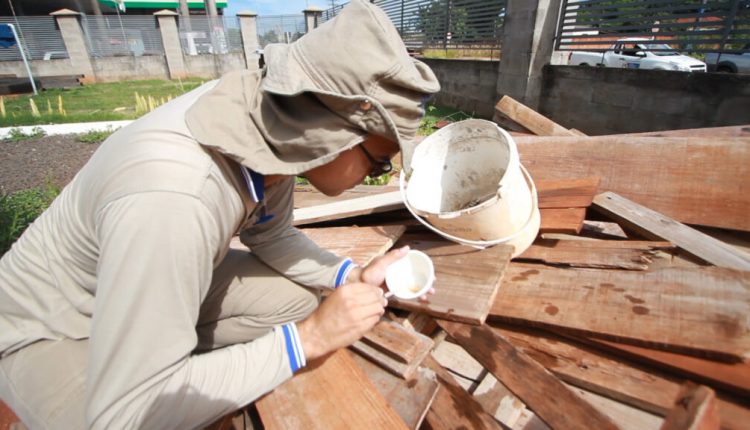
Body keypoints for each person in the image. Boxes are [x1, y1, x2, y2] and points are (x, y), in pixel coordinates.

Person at [0, 1, 440, 428]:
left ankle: (159, 355)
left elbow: (271, 235)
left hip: (129, 280)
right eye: (378, 163)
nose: (378, 174)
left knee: (299, 303)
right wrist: (310, 339)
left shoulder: (276, 125)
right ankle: (150, 367)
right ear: (333, 137)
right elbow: (125, 415)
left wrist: (352, 276)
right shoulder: (176, 199)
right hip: (53, 328)